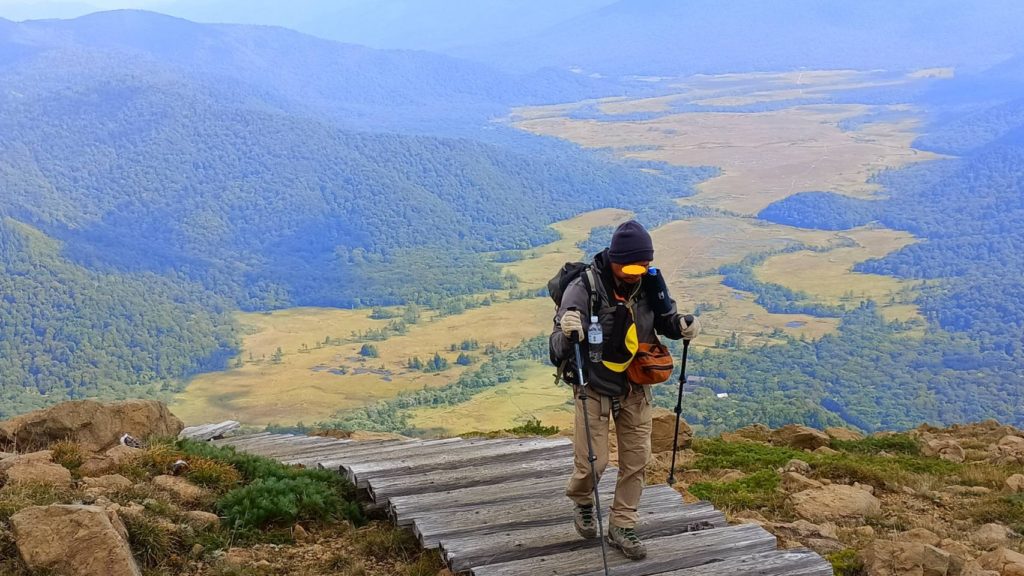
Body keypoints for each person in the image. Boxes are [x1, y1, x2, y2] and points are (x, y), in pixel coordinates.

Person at [549, 220, 700, 560]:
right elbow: (556, 346)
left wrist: (682, 325)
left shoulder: (649, 283)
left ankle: (622, 524)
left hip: (635, 385)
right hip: (594, 385)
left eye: (643, 265)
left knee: (637, 459)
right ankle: (584, 500)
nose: (636, 273)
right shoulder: (584, 286)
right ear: (614, 259)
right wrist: (569, 328)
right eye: (630, 266)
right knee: (593, 463)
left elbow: (666, 321)